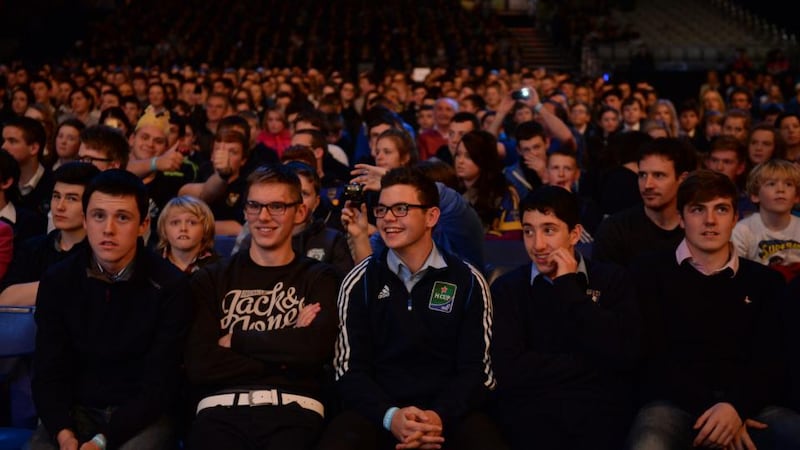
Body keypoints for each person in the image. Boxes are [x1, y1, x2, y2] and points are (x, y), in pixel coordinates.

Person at [318, 166, 505, 450]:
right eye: (381, 210)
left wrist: (437, 416)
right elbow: (348, 370)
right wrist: (391, 416)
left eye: (401, 209)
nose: (388, 219)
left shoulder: (468, 280)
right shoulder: (359, 281)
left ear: (431, 216)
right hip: (378, 412)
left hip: (448, 413)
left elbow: (478, 372)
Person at [626, 169, 800, 450]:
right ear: (681, 218)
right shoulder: (647, 272)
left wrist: (734, 408)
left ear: (735, 218)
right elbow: (650, 357)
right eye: (698, 210)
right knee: (648, 443)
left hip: (748, 406)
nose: (710, 221)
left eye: (721, 209)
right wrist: (717, 412)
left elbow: (772, 360)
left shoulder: (765, 281)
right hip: (673, 403)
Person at [29, 169, 191, 450]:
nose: (108, 229)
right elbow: (47, 371)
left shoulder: (170, 285)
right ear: (86, 219)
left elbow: (160, 384)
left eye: (123, 218)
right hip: (73, 411)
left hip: (143, 414)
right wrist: (64, 434)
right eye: (98, 216)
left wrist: (102, 441)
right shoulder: (58, 280)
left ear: (144, 224)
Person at [183, 164, 340, 450]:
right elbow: (199, 363)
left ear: (300, 212)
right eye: (254, 206)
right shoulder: (210, 278)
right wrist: (287, 349)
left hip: (294, 412)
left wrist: (237, 340)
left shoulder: (320, 277)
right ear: (244, 211)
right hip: (219, 412)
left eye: (277, 206)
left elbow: (315, 349)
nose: (263, 217)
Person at [490, 185, 640, 450]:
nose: (537, 245)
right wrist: (588, 365)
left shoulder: (612, 279)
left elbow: (622, 355)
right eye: (528, 231)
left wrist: (569, 286)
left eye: (549, 230)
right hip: (531, 414)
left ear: (574, 234)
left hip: (599, 414)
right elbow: (509, 369)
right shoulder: (508, 288)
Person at [0, 162, 99, 306]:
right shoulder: (32, 247)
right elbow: (5, 298)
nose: (60, 206)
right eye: (56, 196)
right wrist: (64, 285)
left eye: (72, 199)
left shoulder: (99, 253)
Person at [593, 137, 697, 267]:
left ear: (682, 179)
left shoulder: (698, 229)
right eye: (642, 175)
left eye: (658, 175)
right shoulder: (614, 230)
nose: (647, 185)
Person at [732, 159, 800, 282]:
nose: (781, 189)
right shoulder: (742, 230)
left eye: (788, 184)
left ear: (797, 197)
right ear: (755, 195)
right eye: (771, 184)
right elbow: (737, 275)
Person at [155, 195, 219, 274]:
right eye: (175, 223)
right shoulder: (150, 263)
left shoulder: (219, 268)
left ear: (205, 228)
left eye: (192, 223)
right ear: (164, 229)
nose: (183, 228)